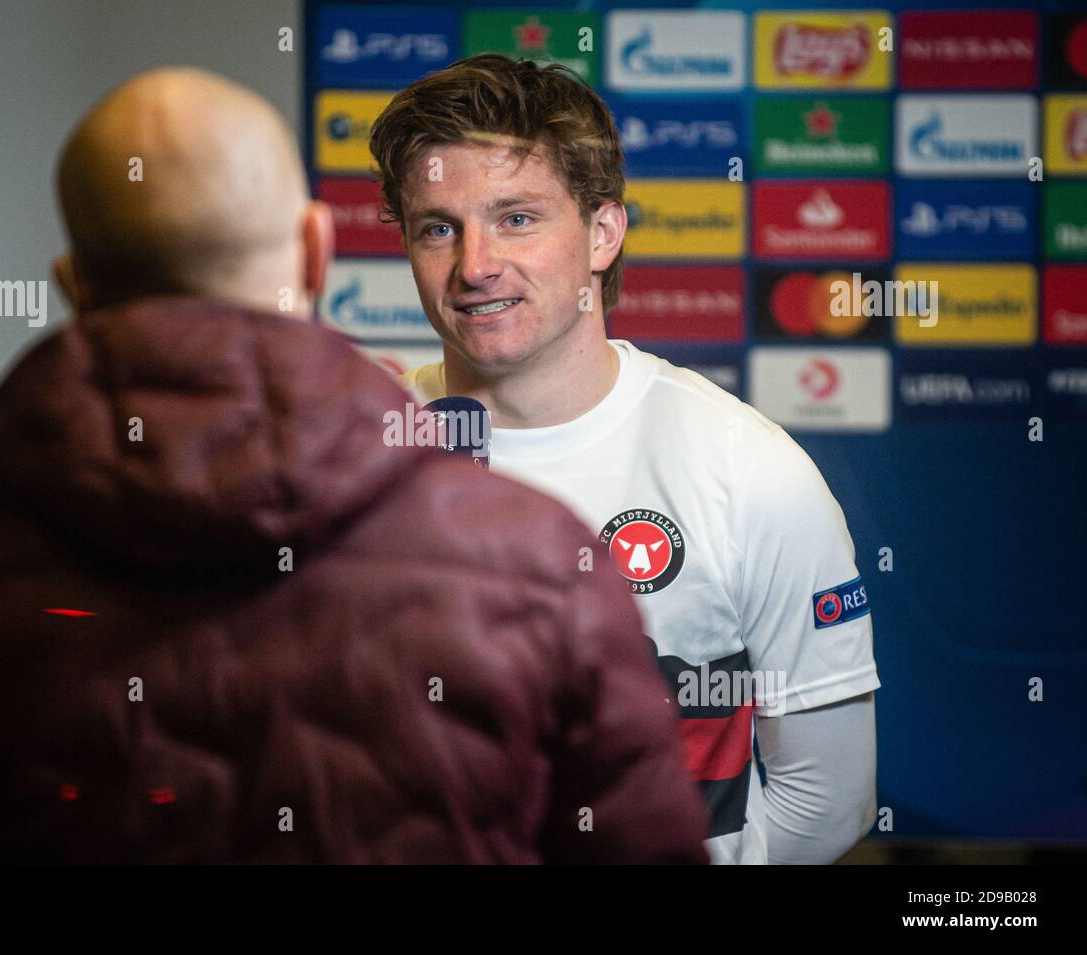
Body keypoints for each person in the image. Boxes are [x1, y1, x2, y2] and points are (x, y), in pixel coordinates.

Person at [0, 67, 708, 863]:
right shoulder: (543, 563)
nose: (476, 264)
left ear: (73, 280)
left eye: (515, 219)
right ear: (317, 249)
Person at [372, 54, 881, 864]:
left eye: (516, 218)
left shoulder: (748, 468)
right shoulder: (356, 455)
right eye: (439, 226)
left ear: (603, 232)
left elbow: (829, 800)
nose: (474, 266)